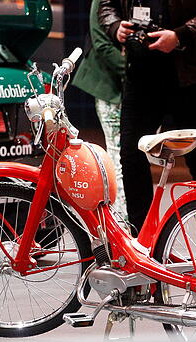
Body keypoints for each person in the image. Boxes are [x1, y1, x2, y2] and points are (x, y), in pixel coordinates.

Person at [98, 0, 196, 233]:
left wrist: (181, 35)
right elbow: (106, 5)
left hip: (189, 73)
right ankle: (142, 240)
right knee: (132, 155)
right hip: (141, 73)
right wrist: (114, 27)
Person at [73, 0, 128, 221]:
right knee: (118, 155)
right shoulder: (102, 3)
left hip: (133, 90)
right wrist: (137, 72)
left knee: (130, 156)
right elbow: (102, 45)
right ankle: (123, 221)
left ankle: (127, 218)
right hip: (111, 89)